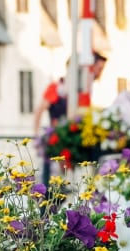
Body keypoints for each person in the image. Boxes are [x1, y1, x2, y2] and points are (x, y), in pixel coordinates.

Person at [33, 52, 107, 181]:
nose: (99, 73)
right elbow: (39, 110)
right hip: (58, 142)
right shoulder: (56, 88)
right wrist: (36, 134)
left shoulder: (83, 90)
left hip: (73, 145)